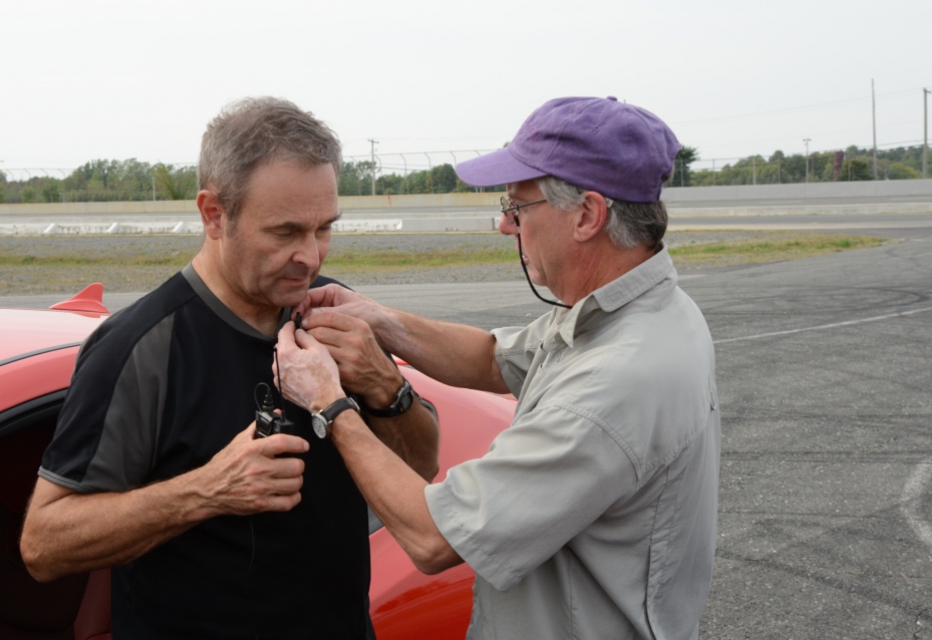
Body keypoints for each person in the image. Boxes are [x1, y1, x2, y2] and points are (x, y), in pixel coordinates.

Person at [275, 96, 721, 639]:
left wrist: (327, 401)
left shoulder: (618, 379)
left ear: (587, 215)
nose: (508, 228)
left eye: (517, 209)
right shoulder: (634, 311)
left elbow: (433, 538)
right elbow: (491, 357)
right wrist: (380, 319)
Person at [20, 97, 440, 640]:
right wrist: (207, 490)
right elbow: (43, 545)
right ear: (214, 214)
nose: (312, 257)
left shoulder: (334, 315)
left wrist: (386, 387)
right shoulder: (142, 348)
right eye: (286, 232)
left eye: (325, 228)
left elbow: (423, 468)